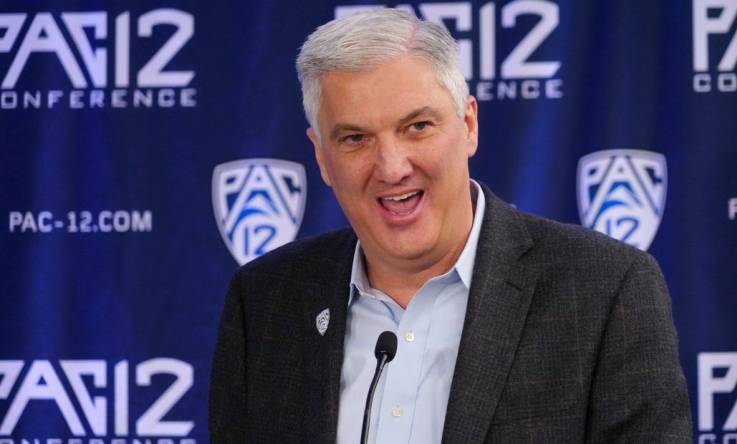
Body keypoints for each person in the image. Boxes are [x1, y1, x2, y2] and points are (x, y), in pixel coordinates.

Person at [209, 9, 691, 443]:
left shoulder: (604, 289)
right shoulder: (266, 301)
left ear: (469, 126)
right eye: (355, 138)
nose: (392, 166)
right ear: (321, 158)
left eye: (417, 126)